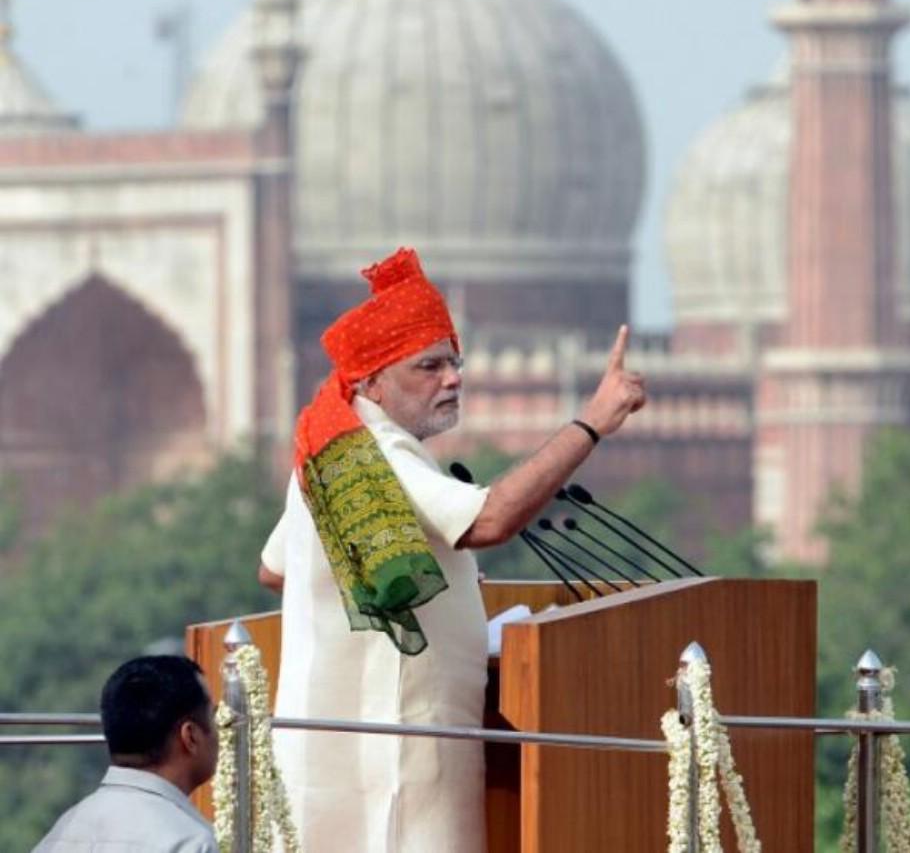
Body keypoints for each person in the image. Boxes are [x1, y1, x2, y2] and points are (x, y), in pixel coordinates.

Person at [259, 246, 645, 853]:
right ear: (374, 382)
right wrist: (592, 422)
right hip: (387, 750)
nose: (453, 378)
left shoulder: (333, 452)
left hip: (344, 744)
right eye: (430, 366)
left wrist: (410, 579)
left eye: (455, 362)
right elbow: (489, 520)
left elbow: (275, 568)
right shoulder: (373, 452)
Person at [32, 654, 219, 853]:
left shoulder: (60, 836)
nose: (220, 731)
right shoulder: (192, 842)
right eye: (213, 716)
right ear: (190, 736)